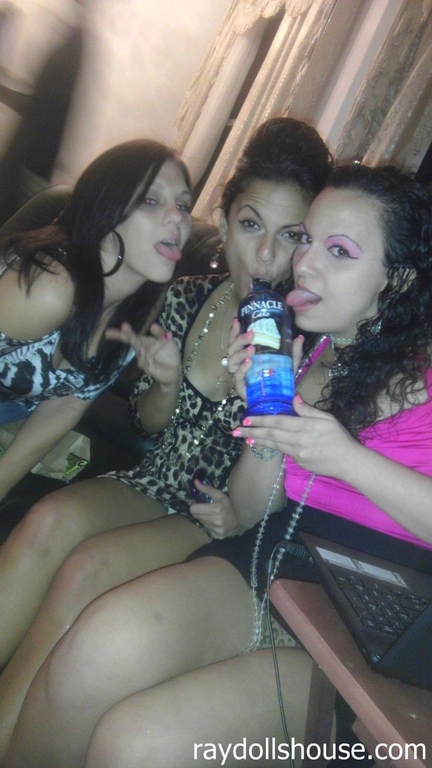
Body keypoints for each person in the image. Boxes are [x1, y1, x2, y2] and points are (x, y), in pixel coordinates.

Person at [4, 163, 432, 768]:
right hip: (275, 564)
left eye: (338, 251)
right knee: (97, 647)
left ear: (399, 277)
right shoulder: (307, 351)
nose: (303, 264)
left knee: (138, 746)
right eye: (308, 240)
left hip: (386, 618)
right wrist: (266, 412)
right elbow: (255, 510)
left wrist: (348, 460)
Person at [0, 137, 193, 503]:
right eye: (151, 201)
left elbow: (66, 404)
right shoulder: (52, 287)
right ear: (106, 208)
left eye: (183, 205)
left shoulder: (140, 309)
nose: (178, 218)